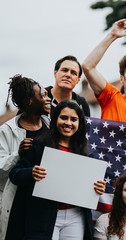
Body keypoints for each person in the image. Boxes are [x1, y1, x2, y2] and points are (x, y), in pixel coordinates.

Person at [6, 100, 105, 240]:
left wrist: (98, 188)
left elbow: (91, 186)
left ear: (80, 123)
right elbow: (14, 174)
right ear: (55, 119)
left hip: (75, 216)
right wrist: (31, 172)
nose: (68, 123)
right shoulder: (39, 145)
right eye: (63, 117)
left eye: (74, 119)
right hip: (44, 216)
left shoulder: (87, 153)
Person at [0, 74, 51, 240]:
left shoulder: (52, 125)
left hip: (45, 203)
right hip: (18, 203)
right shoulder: (7, 130)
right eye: (42, 95)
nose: (48, 98)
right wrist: (18, 154)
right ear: (30, 101)